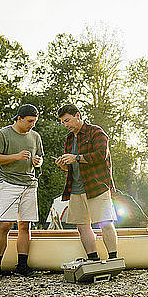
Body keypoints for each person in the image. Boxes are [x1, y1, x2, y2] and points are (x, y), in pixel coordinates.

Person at [0, 104, 44, 282]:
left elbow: (40, 159)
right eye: (29, 121)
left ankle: (22, 266)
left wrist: (37, 161)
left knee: (25, 226)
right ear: (19, 118)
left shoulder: (35, 136)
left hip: (29, 185)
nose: (32, 125)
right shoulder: (3, 134)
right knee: (5, 225)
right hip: (8, 184)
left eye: (34, 121)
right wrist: (16, 156)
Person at [54, 104, 119, 262]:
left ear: (78, 115)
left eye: (68, 120)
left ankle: (113, 259)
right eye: (63, 122)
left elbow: (100, 156)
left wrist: (76, 157)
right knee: (81, 225)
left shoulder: (96, 132)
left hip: (96, 186)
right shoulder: (69, 138)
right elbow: (72, 166)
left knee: (105, 223)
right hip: (75, 189)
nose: (66, 125)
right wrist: (64, 165)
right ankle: (93, 260)